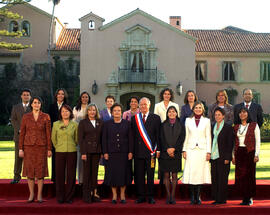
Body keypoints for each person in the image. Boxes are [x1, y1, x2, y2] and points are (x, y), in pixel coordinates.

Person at [19, 96, 51, 203]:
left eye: (38, 103)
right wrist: (20, 149)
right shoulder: (25, 117)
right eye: (35, 102)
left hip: (41, 148)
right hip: (28, 147)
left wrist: (49, 149)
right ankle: (31, 194)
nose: (36, 104)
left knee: (40, 172)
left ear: (41, 105)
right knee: (30, 171)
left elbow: (48, 134)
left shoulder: (46, 116)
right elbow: (22, 133)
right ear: (31, 104)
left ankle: (39, 195)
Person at [131, 97, 161, 204]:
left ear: (149, 105)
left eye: (145, 104)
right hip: (138, 152)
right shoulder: (134, 119)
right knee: (139, 175)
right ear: (139, 106)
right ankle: (141, 196)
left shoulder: (156, 118)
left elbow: (158, 135)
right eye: (141, 105)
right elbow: (132, 137)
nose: (143, 106)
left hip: (151, 153)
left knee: (150, 175)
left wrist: (158, 150)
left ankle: (150, 196)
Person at [102, 103, 133, 204]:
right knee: (113, 175)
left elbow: (130, 139)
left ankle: (122, 195)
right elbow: (104, 139)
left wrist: (130, 151)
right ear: (112, 112)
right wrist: (105, 152)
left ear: (121, 112)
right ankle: (114, 195)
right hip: (111, 154)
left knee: (123, 174)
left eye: (119, 110)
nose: (117, 112)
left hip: (124, 153)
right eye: (115, 110)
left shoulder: (127, 124)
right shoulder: (106, 124)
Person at [182, 101, 211, 205]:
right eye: (196, 108)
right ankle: (192, 197)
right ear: (193, 109)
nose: (198, 109)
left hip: (202, 150)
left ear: (202, 109)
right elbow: (186, 136)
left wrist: (208, 151)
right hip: (191, 149)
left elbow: (208, 136)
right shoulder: (188, 120)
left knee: (199, 174)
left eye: (200, 108)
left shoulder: (207, 121)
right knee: (191, 173)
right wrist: (184, 150)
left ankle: (198, 196)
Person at [232, 107, 260, 206]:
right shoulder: (236, 127)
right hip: (239, 152)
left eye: (244, 112)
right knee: (241, 176)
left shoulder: (254, 125)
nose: (242, 114)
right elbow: (234, 143)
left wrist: (257, 154)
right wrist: (233, 156)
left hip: (250, 152)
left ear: (247, 114)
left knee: (250, 175)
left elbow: (258, 141)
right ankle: (244, 197)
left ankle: (250, 197)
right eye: (240, 113)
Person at [51, 104, 78, 204]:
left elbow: (76, 139)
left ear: (70, 112)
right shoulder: (56, 124)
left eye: (67, 111)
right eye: (63, 111)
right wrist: (58, 146)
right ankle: (60, 197)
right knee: (59, 175)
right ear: (60, 113)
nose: (65, 113)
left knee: (71, 175)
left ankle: (69, 197)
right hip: (59, 152)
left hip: (72, 151)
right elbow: (53, 139)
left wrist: (72, 145)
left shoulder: (75, 125)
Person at [159, 106, 185, 204]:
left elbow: (181, 139)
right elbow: (161, 138)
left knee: (174, 175)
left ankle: (173, 196)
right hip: (165, 153)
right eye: (169, 112)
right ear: (167, 113)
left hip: (176, 153)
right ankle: (168, 195)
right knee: (166, 175)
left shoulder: (181, 125)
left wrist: (174, 149)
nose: (171, 113)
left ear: (176, 113)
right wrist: (167, 149)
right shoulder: (163, 125)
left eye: (173, 111)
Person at [78, 104, 103, 203]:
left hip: (97, 151)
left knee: (94, 173)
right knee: (87, 173)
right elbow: (81, 139)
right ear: (87, 111)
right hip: (87, 152)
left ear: (96, 111)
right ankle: (86, 195)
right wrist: (83, 152)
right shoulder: (83, 123)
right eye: (90, 110)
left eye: (94, 110)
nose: (92, 112)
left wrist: (101, 151)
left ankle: (95, 193)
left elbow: (102, 138)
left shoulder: (100, 122)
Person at [210, 107, 234, 205]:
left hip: (223, 157)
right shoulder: (212, 126)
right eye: (216, 115)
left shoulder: (228, 127)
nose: (217, 116)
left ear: (223, 116)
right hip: (214, 156)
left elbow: (230, 143)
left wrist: (228, 157)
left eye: (219, 114)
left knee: (222, 179)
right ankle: (216, 198)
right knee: (215, 178)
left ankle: (222, 199)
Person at [10, 88, 32, 184]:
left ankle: (30, 177)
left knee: (30, 158)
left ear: (30, 97)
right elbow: (13, 120)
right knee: (18, 157)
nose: (26, 96)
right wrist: (20, 129)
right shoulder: (15, 107)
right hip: (18, 136)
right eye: (24, 94)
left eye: (27, 95)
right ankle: (16, 177)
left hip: (31, 137)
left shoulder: (33, 107)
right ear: (21, 96)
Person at [49, 88, 68, 183]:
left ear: (65, 96)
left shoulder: (67, 106)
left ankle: (64, 178)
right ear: (56, 95)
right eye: (59, 94)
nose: (60, 95)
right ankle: (55, 177)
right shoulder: (51, 106)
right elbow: (49, 122)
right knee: (55, 157)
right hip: (55, 134)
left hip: (65, 135)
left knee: (64, 158)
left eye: (62, 94)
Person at [73, 91, 91, 185]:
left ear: (89, 98)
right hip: (79, 134)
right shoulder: (76, 109)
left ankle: (88, 179)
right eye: (83, 97)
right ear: (80, 98)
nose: (84, 98)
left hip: (89, 136)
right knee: (80, 158)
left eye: (86, 97)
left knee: (89, 159)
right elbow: (73, 121)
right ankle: (80, 180)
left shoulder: (91, 108)